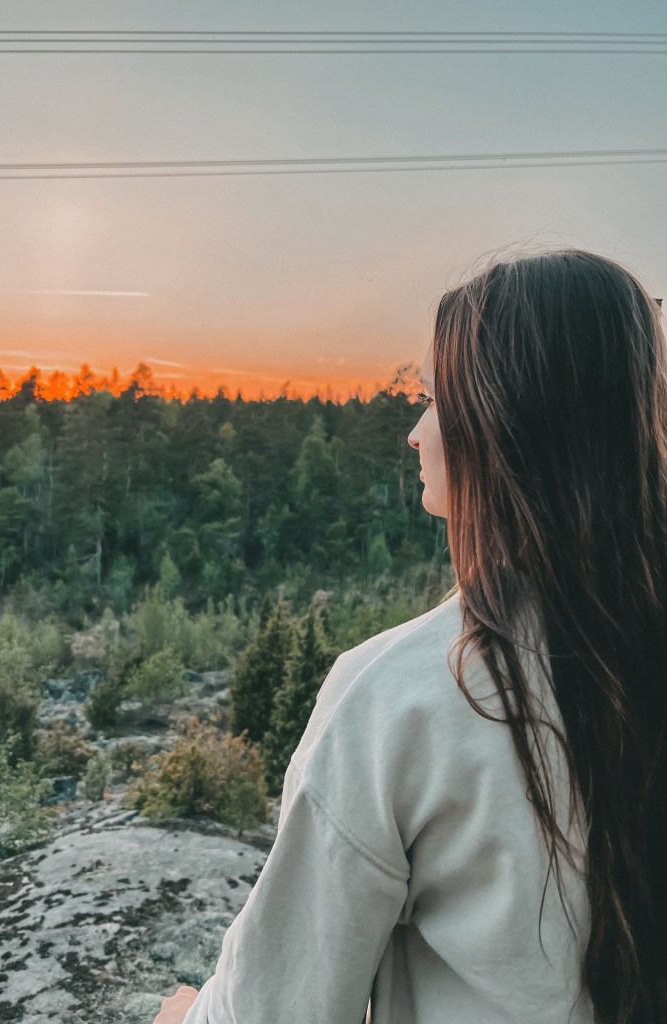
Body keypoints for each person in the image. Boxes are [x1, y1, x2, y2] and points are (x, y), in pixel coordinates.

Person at [154, 249, 667, 1024]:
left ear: (503, 425)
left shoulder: (405, 694)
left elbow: (276, 1010)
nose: (415, 433)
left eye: (432, 399)